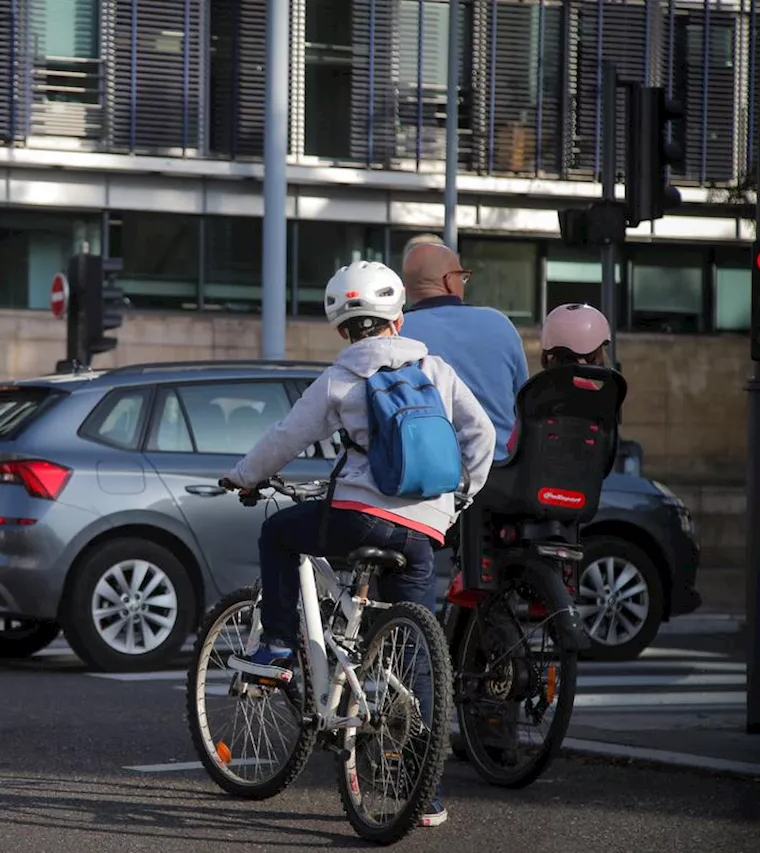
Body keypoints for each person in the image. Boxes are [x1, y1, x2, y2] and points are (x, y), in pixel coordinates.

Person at [219, 261, 497, 827]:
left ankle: (273, 647)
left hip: (360, 519)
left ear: (344, 328)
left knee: (279, 532)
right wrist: (462, 495)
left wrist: (245, 477)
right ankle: (426, 793)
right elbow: (482, 433)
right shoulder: (434, 366)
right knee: (412, 644)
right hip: (425, 528)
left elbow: (286, 438)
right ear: (397, 319)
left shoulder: (341, 377)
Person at [398, 238, 529, 462]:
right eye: (463, 277)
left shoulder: (396, 333)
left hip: (425, 476)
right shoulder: (500, 325)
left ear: (407, 289)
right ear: (449, 281)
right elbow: (524, 405)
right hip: (498, 470)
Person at [504, 302, 612, 454]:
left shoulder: (535, 392)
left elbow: (513, 447)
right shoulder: (602, 396)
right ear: (597, 351)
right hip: (588, 475)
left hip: (538, 476)